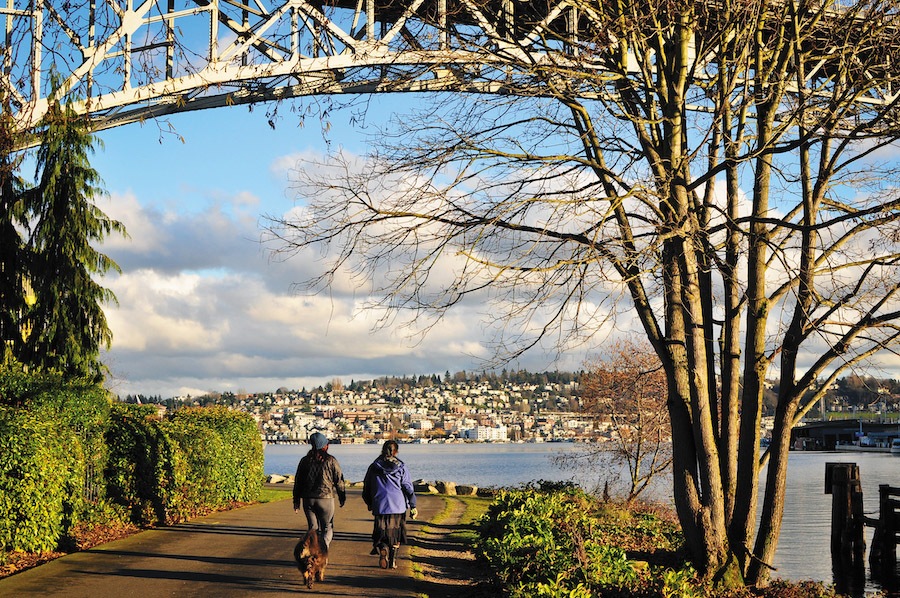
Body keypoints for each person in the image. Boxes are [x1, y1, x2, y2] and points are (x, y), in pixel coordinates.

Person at [362, 440, 417, 569]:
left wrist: (370, 503)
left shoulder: (374, 466)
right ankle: (392, 559)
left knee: (380, 532)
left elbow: (367, 487)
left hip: (379, 504)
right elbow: (408, 487)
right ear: (396, 451)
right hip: (398, 506)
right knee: (396, 533)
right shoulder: (401, 467)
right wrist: (413, 504)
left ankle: (382, 548)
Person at [293, 432, 346, 547]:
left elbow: (298, 481)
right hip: (325, 498)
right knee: (327, 527)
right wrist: (342, 497)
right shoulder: (331, 460)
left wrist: (296, 501)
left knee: (313, 528)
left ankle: (311, 550)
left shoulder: (304, 461)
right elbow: (339, 480)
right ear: (325, 445)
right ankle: (322, 550)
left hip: (308, 499)